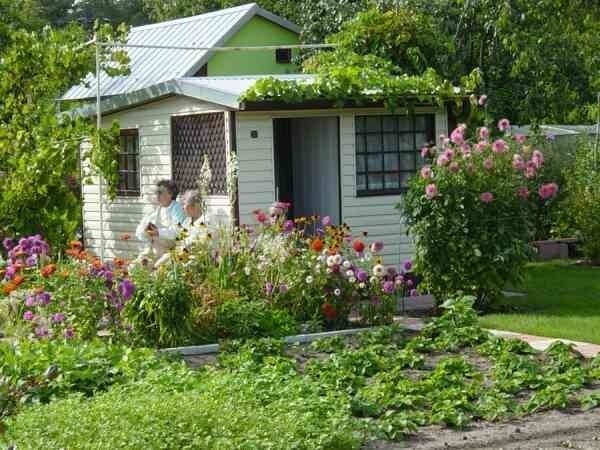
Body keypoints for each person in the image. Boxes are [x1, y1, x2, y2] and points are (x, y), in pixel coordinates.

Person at [134, 180, 186, 267]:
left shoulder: (177, 209)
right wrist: (145, 231)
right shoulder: (155, 209)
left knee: (156, 269)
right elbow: (139, 233)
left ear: (170, 194)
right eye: (156, 192)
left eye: (160, 192)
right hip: (153, 249)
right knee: (134, 267)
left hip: (170, 251)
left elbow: (178, 232)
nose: (157, 195)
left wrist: (158, 232)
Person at [153, 189, 209, 267]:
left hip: (197, 258)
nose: (182, 208)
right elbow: (177, 233)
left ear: (194, 205)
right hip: (182, 254)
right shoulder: (187, 220)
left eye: (184, 204)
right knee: (158, 262)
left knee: (161, 264)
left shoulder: (206, 220)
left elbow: (195, 242)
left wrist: (176, 251)